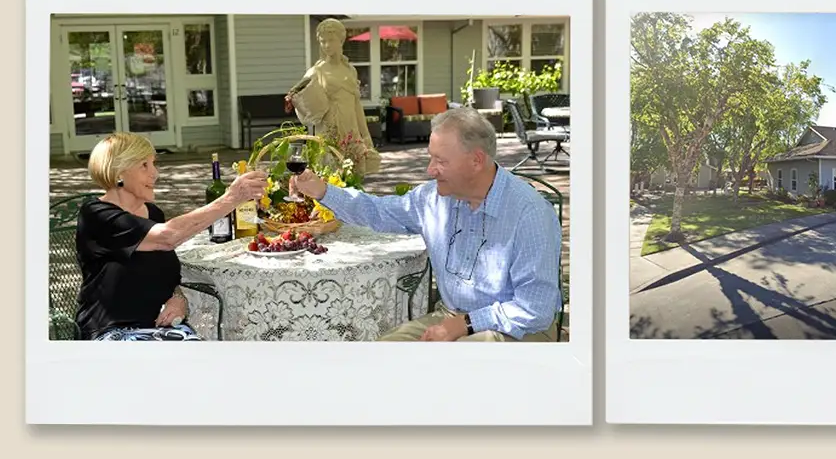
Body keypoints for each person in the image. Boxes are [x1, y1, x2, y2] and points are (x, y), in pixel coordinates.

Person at [290, 107, 562, 342]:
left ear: (476, 161)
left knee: (441, 370)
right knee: (381, 355)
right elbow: (377, 211)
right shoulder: (433, 199)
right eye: (431, 157)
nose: (430, 170)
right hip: (451, 318)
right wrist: (323, 191)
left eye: (441, 161)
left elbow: (534, 310)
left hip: (518, 331)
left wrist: (466, 323)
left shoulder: (529, 214)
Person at [75, 133, 267, 341]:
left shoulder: (153, 213)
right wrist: (231, 198)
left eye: (154, 164)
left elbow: (164, 270)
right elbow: (167, 237)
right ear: (118, 172)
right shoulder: (97, 214)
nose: (155, 173)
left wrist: (178, 297)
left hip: (161, 330)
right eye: (144, 165)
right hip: (111, 332)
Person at [286, 18, 381, 175]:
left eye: (331, 40)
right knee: (329, 181)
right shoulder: (316, 72)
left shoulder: (350, 71)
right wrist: (296, 98)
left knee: (354, 182)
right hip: (328, 134)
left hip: (351, 133)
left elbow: (356, 106)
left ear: (341, 40)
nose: (326, 45)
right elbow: (303, 104)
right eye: (323, 41)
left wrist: (366, 136)